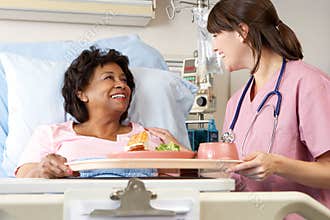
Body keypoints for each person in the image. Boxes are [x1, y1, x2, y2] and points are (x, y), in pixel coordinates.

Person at [207, 0, 330, 212]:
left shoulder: (309, 83)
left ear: (242, 31)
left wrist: (277, 165)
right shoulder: (235, 102)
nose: (214, 46)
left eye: (216, 35)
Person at [15, 47, 188, 178]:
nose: (121, 85)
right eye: (108, 78)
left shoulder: (150, 137)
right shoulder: (51, 134)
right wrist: (42, 170)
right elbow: (24, 175)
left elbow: (185, 181)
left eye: (124, 80)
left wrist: (181, 153)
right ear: (81, 93)